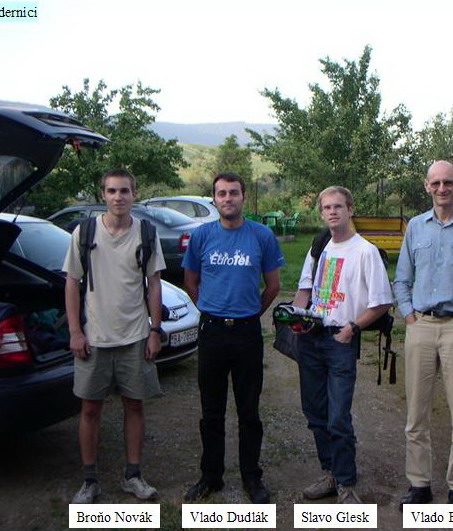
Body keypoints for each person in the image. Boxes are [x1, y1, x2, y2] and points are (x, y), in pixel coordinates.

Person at [394, 160, 453, 508]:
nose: (442, 189)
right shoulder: (415, 227)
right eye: (435, 183)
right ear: (427, 186)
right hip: (421, 326)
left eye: (448, 182)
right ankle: (419, 485)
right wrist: (408, 314)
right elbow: (402, 277)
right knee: (416, 413)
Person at [65, 169, 165, 504]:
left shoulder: (146, 233)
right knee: (90, 409)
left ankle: (133, 476)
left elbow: (154, 285)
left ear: (135, 194)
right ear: (103, 195)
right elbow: (71, 283)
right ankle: (89, 480)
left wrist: (154, 330)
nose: (118, 197)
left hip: (135, 337)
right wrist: (75, 332)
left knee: (134, 405)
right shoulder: (84, 233)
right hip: (94, 338)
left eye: (124, 190)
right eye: (112, 191)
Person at [182, 172, 283, 504]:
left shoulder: (261, 235)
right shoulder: (201, 236)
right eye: (222, 193)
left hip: (246, 333)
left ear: (243, 197)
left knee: (249, 411)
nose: (228, 198)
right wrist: (209, 308)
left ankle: (252, 477)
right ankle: (211, 476)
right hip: (211, 332)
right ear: (214, 199)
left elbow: (273, 286)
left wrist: (251, 312)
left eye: (234, 192)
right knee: (211, 411)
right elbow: (190, 281)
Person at [291, 186, 393, 505]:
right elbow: (304, 289)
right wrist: (295, 318)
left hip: (340, 340)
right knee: (314, 412)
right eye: (327, 207)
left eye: (338, 206)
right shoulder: (319, 246)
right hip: (311, 337)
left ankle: (346, 482)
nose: (332, 212)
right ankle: (330, 473)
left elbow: (382, 302)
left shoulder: (365, 251)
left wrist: (352, 329)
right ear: (321, 213)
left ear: (350, 209)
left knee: (337, 416)